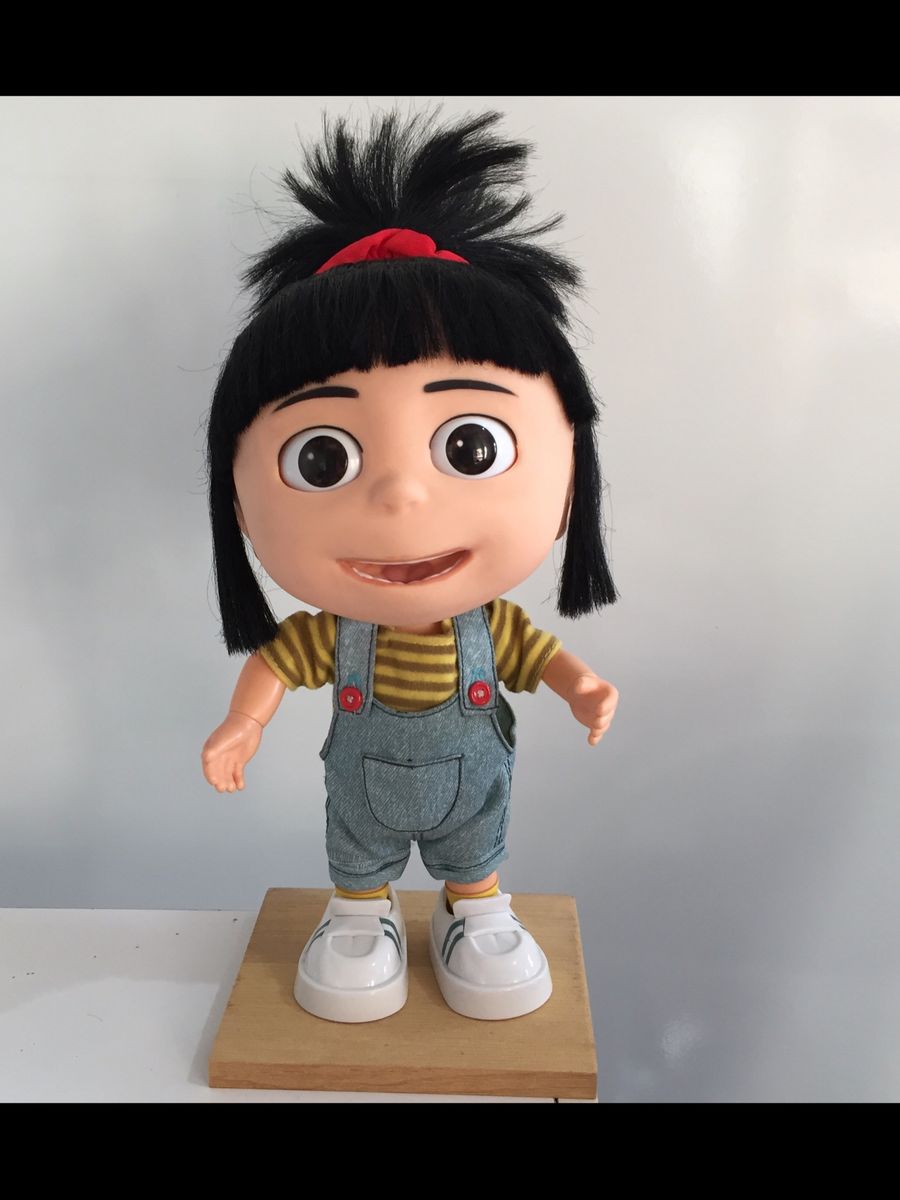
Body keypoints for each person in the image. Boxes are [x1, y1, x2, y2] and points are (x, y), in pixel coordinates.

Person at [201, 109, 619, 1023]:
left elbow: (541, 658)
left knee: (476, 848)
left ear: (571, 474)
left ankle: (476, 910)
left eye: (470, 446)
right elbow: (278, 662)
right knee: (357, 855)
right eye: (323, 457)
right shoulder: (332, 636)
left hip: (473, 796)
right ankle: (362, 914)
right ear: (235, 496)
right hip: (365, 803)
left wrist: (582, 686)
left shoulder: (493, 631)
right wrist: (242, 722)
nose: (399, 497)